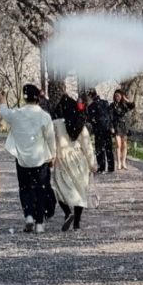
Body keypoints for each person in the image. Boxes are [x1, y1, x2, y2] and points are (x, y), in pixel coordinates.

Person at [0, 85, 56, 233]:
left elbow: (3, 111)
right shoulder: (44, 116)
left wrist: (2, 100)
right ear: (38, 98)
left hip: (22, 158)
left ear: (24, 97)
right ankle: (40, 223)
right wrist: (53, 155)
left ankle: (28, 216)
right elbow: (50, 138)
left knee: (25, 188)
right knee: (41, 190)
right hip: (40, 158)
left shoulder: (16, 114)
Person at [51, 96, 96, 232]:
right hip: (79, 159)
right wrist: (91, 164)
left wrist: (51, 157)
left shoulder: (56, 124)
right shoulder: (80, 123)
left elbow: (52, 142)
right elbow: (87, 146)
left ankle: (67, 212)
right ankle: (76, 223)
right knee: (80, 190)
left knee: (61, 189)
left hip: (63, 159)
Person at [86, 89, 115, 173]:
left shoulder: (91, 107)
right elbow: (110, 115)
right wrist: (110, 126)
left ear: (90, 96)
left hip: (98, 129)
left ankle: (101, 167)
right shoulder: (105, 103)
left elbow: (92, 119)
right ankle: (111, 167)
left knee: (99, 149)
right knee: (108, 148)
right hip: (107, 128)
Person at [112, 90, 134, 170]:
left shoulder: (124, 105)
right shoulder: (112, 105)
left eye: (118, 96)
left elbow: (132, 105)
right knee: (118, 145)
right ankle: (119, 162)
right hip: (117, 126)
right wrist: (112, 127)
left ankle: (124, 162)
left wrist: (126, 100)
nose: (117, 97)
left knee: (124, 145)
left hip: (124, 126)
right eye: (116, 96)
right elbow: (111, 117)